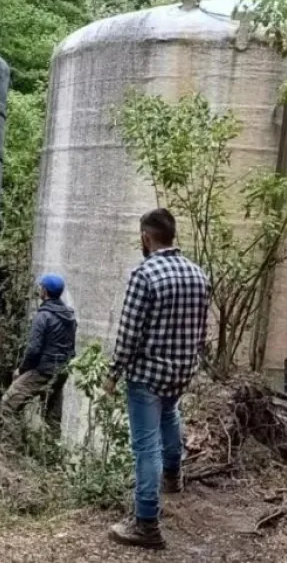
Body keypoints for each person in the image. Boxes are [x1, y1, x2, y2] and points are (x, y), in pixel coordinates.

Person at [103, 208, 210, 550]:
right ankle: (173, 476)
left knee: (145, 446)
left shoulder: (144, 274)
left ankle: (146, 523)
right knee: (170, 414)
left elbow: (130, 333)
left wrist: (113, 373)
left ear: (146, 237)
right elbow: (201, 331)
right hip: (181, 370)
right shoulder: (198, 274)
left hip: (148, 373)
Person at [0, 273, 77, 435]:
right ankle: (50, 455)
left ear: (45, 291)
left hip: (44, 371)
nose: (39, 290)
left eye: (41, 287)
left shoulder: (43, 316)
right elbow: (71, 349)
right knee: (52, 419)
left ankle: (11, 451)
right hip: (61, 372)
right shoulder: (70, 317)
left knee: (8, 403)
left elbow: (34, 349)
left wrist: (21, 371)